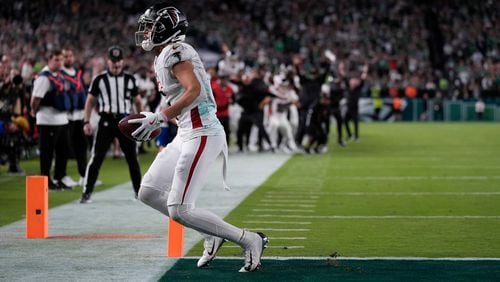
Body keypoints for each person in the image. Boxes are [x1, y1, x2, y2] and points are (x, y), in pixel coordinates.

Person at [132, 3, 268, 272]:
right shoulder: (163, 54)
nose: (145, 32)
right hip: (186, 132)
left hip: (203, 132)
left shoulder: (175, 51)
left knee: (179, 209)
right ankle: (211, 233)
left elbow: (193, 90)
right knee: (147, 192)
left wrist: (160, 117)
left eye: (150, 27)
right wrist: (160, 117)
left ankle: (248, 239)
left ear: (165, 29)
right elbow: (184, 98)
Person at [81, 46, 143, 203]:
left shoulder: (130, 79)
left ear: (123, 61)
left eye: (119, 61)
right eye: (114, 61)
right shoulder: (99, 79)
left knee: (132, 158)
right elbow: (89, 101)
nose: (116, 64)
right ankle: (87, 192)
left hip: (125, 120)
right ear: (108, 62)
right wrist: (86, 121)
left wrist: (142, 120)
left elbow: (137, 101)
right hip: (107, 120)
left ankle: (139, 193)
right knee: (97, 157)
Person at [30, 49, 72, 190]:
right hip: (48, 120)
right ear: (49, 60)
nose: (59, 62)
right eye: (56, 59)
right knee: (47, 152)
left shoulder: (59, 75)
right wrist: (33, 111)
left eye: (61, 59)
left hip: (61, 119)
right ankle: (46, 180)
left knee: (63, 151)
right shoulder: (44, 77)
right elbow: (35, 98)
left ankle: (59, 178)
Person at [61, 47, 87, 187]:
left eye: (70, 56)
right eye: (65, 56)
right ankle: (62, 176)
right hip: (66, 116)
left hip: (79, 115)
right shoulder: (60, 74)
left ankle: (83, 175)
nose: (68, 59)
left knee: (81, 146)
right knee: (65, 146)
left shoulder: (77, 73)